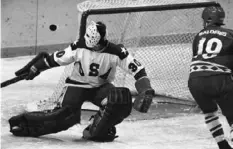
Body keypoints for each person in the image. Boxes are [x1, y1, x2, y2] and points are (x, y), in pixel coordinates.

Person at [8, 21, 155, 142]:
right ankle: (24, 123)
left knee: (119, 101)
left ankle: (96, 129)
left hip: (101, 87)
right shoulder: (79, 45)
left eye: (96, 45)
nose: (92, 47)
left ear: (103, 40)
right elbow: (56, 59)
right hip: (75, 85)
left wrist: (145, 89)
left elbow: (138, 70)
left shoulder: (117, 52)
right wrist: (36, 67)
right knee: (64, 117)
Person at [188, 5, 233, 149]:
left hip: (194, 81)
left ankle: (222, 145)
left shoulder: (198, 36)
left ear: (206, 20)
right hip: (219, 79)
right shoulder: (230, 34)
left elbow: (199, 58)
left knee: (210, 113)